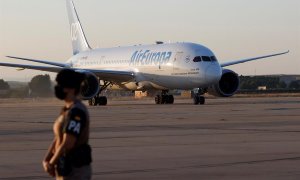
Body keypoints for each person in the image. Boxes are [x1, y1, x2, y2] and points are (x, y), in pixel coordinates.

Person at [43, 69, 92, 180]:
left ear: (71, 89)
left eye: (61, 85)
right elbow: (58, 138)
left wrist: (51, 163)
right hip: (64, 167)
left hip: (75, 170)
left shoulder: (77, 111)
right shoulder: (67, 109)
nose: (58, 88)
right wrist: (47, 159)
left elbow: (68, 143)